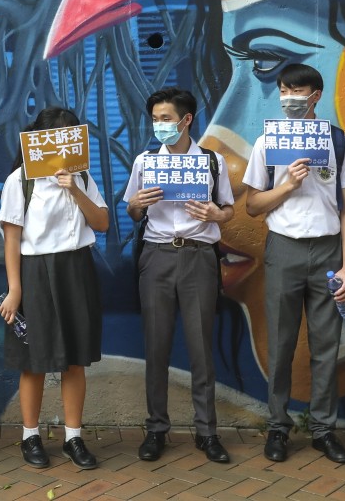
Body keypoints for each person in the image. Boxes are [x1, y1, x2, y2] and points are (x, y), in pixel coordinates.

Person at [242, 64, 345, 464]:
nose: (290, 98)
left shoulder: (337, 142)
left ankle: (324, 429)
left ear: (316, 95)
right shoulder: (266, 143)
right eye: (284, 91)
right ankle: (277, 426)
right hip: (284, 249)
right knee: (280, 343)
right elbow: (253, 205)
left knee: (327, 345)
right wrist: (287, 185)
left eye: (299, 92)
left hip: (328, 251)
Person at [123, 87, 235, 464]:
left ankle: (208, 432)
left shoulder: (212, 161)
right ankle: (156, 429)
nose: (160, 126)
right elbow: (134, 212)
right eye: (155, 119)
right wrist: (136, 205)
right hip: (156, 256)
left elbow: (228, 211)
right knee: (156, 345)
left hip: (199, 256)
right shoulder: (145, 161)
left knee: (202, 345)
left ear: (186, 120)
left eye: (166, 119)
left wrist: (217, 216)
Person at [0, 108, 109, 470]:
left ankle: (73, 438)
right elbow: (11, 239)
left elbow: (103, 223)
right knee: (34, 362)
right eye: (55, 137)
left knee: (74, 360)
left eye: (70, 137)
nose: (63, 145)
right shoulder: (20, 180)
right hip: (36, 274)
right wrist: (15, 289)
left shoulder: (82, 176)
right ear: (38, 141)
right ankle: (30, 436)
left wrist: (74, 188)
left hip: (76, 270)